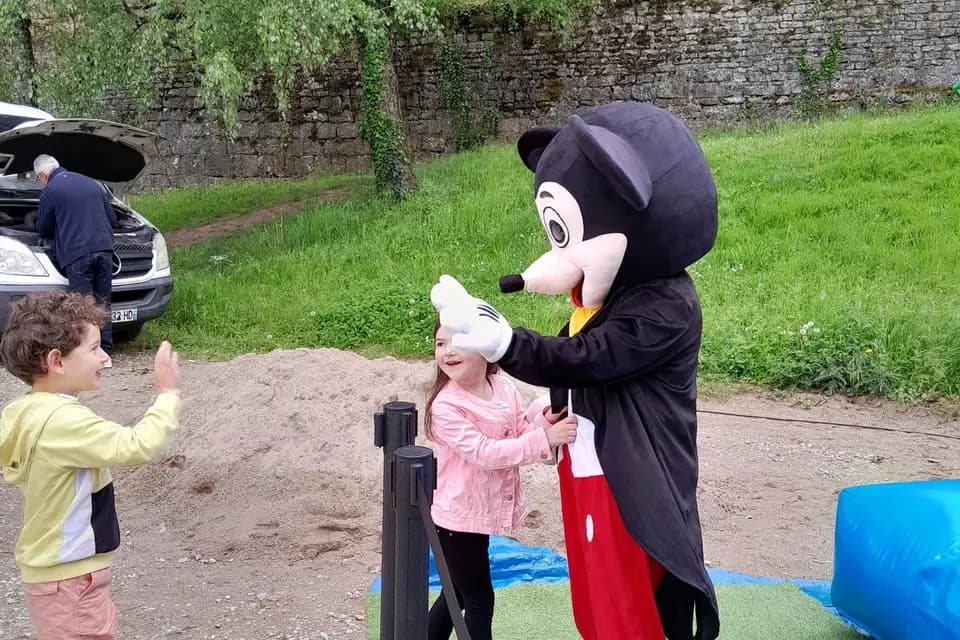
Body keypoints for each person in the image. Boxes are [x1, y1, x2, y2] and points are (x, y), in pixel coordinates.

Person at [0, 291, 181, 640]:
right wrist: (168, 396)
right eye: (94, 348)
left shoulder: (26, 411)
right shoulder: (62, 421)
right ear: (57, 361)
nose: (104, 356)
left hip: (58, 574)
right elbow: (136, 445)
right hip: (69, 576)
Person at [424, 321, 578, 640]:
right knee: (479, 599)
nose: (447, 351)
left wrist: (542, 422)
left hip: (477, 514)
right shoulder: (446, 406)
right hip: (456, 519)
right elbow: (486, 453)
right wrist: (545, 439)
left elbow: (518, 429)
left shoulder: (502, 388)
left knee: (456, 593)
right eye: (440, 344)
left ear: (484, 348)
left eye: (458, 343)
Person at [33, 154, 118, 354]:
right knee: (102, 301)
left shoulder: (50, 191)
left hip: (77, 254)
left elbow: (43, 229)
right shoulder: (92, 183)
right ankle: (106, 348)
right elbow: (113, 219)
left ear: (43, 175)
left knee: (82, 305)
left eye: (39, 179)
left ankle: (88, 350)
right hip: (105, 250)